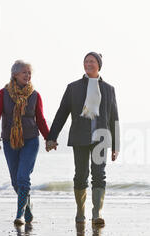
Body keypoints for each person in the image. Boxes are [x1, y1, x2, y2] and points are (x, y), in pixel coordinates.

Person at [46, 52, 120, 225]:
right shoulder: (74, 88)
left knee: (99, 174)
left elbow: (114, 118)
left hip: (101, 138)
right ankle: (80, 211)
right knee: (81, 175)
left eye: (92, 61)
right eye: (86, 61)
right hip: (80, 136)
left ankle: (97, 213)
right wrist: (52, 137)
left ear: (99, 65)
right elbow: (62, 113)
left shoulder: (109, 89)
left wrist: (116, 145)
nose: (88, 64)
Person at [0, 60, 49, 226]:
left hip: (30, 140)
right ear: (15, 74)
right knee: (16, 181)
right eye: (24, 72)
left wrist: (49, 138)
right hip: (10, 141)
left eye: (29, 73)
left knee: (23, 177)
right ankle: (27, 208)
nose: (28, 76)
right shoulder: (3, 93)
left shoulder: (35, 95)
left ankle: (19, 214)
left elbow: (41, 119)